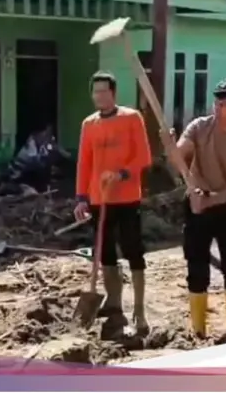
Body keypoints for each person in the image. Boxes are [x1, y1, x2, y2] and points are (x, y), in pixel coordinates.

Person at [168, 77, 226, 339]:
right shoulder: (199, 127)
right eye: (217, 101)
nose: (218, 106)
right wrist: (171, 148)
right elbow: (180, 157)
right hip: (196, 201)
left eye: (225, 103)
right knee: (196, 262)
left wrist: (209, 200)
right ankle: (198, 327)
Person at [73, 71, 152, 334]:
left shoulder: (131, 118)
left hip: (127, 197)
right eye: (96, 92)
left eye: (104, 91)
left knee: (133, 251)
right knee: (104, 252)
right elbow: (84, 163)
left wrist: (121, 174)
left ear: (114, 93)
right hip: (98, 199)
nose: (99, 96)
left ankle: (139, 310)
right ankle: (114, 302)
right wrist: (81, 197)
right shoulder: (89, 124)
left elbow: (144, 157)